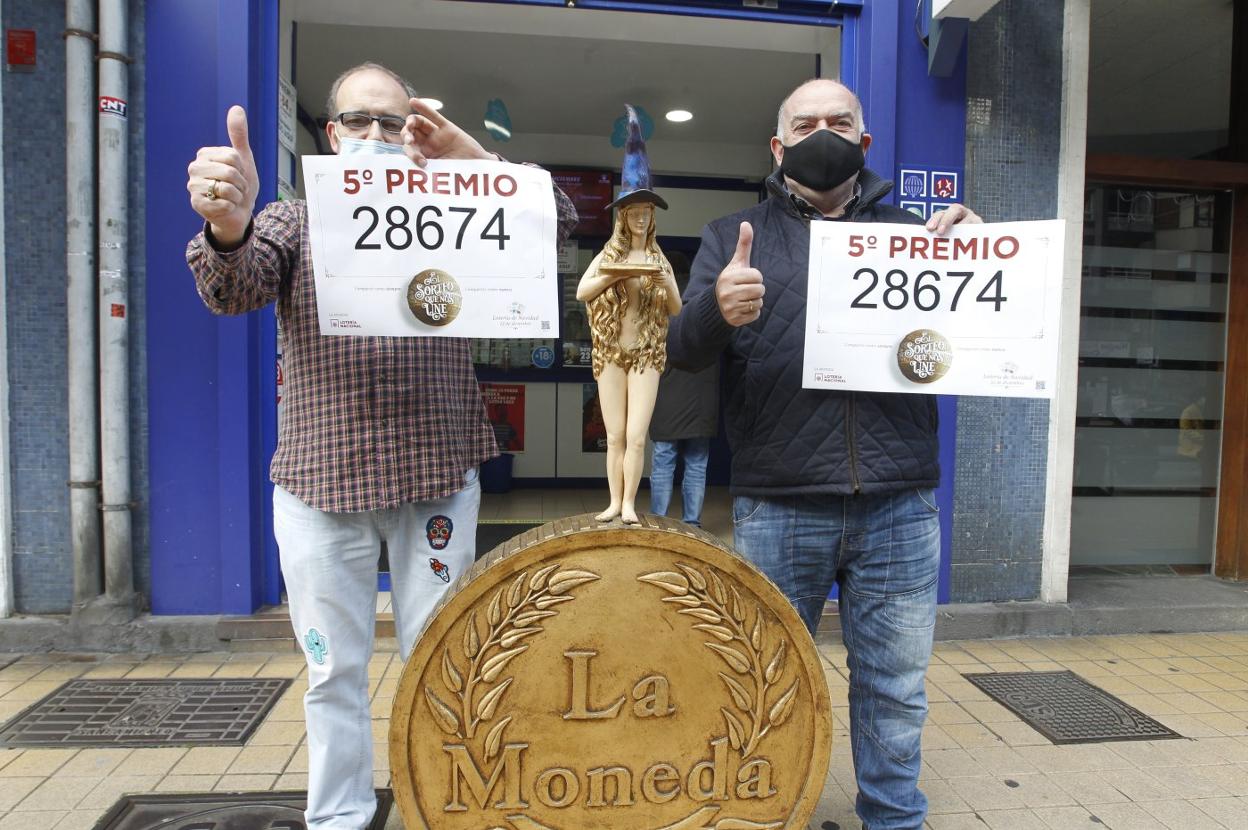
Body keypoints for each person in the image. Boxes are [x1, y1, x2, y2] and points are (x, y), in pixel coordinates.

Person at [184, 62, 575, 830]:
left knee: (440, 659)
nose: (377, 136)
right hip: (321, 488)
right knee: (333, 671)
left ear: (415, 133)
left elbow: (554, 226)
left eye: (393, 123)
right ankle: (338, 818)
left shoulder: (452, 214)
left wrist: (473, 160)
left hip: (432, 478)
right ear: (332, 135)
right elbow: (234, 288)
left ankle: (438, 805)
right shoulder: (296, 223)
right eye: (360, 122)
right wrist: (227, 228)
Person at [667, 78, 980, 830]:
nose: (823, 132)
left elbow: (969, 340)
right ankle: (776, 812)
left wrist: (974, 257)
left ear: (865, 142)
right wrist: (717, 308)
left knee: (895, 687)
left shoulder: (918, 234)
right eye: (804, 124)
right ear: (778, 147)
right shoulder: (731, 235)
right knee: (768, 678)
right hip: (780, 501)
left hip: (899, 500)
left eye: (839, 121)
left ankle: (894, 817)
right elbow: (680, 349)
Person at [577, 106, 681, 525]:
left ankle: (630, 505)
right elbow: (584, 291)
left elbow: (676, 307)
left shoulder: (658, 257)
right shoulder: (609, 255)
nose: (640, 216)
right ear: (622, 214)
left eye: (647, 211)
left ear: (652, 216)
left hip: (646, 355)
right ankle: (613, 501)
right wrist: (614, 273)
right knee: (615, 435)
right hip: (610, 354)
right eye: (634, 210)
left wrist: (664, 278)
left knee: (638, 438)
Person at [649, 256, 719, 528]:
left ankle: (659, 521)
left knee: (664, 461)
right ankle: (692, 523)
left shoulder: (658, 310)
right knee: (697, 463)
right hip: (702, 394)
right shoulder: (708, 307)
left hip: (667, 393)